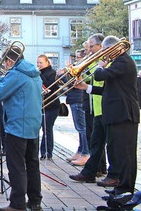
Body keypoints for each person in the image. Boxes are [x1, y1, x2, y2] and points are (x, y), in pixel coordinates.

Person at [74, 36, 139, 196]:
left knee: (125, 154)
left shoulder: (122, 61)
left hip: (124, 114)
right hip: (116, 114)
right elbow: (107, 90)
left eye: (104, 50)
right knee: (117, 152)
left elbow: (100, 76)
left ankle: (126, 189)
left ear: (111, 49)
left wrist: (100, 66)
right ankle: (121, 188)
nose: (103, 54)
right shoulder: (118, 63)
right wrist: (86, 88)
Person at [0, 47, 43, 211]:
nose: (5, 65)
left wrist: (0, 79)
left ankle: (17, 203)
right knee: (32, 164)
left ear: (9, 60)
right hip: (33, 124)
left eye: (5, 62)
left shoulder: (15, 74)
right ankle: (35, 201)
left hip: (17, 125)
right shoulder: (34, 72)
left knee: (16, 166)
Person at [69, 34, 116, 186]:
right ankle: (90, 172)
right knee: (95, 143)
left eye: (91, 47)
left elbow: (102, 80)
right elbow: (89, 78)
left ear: (100, 46)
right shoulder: (96, 61)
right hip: (96, 108)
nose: (88, 50)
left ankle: (109, 173)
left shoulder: (106, 62)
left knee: (109, 144)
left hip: (106, 107)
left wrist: (96, 66)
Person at [59, 57, 89, 166]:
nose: (77, 60)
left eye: (80, 57)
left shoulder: (84, 68)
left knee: (82, 128)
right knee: (79, 128)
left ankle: (85, 153)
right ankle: (81, 151)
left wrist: (64, 74)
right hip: (74, 99)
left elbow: (75, 83)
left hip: (78, 99)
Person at [37, 54, 60, 160]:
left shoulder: (52, 73)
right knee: (39, 128)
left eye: (41, 63)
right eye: (37, 63)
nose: (39, 65)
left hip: (51, 105)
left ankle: (47, 152)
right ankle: (41, 151)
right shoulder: (38, 73)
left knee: (47, 128)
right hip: (40, 105)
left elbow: (49, 85)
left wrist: (38, 75)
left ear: (47, 63)